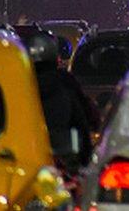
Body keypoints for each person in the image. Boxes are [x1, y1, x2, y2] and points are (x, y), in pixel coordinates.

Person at [28, 31, 96, 169]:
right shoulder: (64, 81)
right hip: (64, 158)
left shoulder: (19, 83)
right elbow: (83, 117)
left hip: (31, 156)